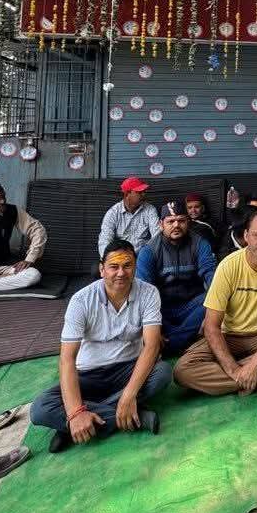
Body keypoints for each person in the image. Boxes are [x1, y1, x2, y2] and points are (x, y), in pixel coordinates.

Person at [30, 238, 171, 453]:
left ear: (135, 267)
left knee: (162, 373)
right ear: (102, 269)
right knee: (40, 409)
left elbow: (151, 346)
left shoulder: (149, 292)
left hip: (127, 369)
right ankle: (131, 416)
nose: (121, 273)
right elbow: (67, 359)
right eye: (114, 266)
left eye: (127, 266)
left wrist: (129, 395)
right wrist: (76, 411)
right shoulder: (81, 301)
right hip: (88, 374)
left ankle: (72, 425)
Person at [172, 211, 257, 396]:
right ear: (246, 236)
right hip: (229, 335)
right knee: (182, 371)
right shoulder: (228, 266)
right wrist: (234, 370)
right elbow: (211, 326)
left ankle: (242, 377)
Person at [136, 199, 218, 353]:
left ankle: (170, 344)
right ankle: (189, 341)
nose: (176, 225)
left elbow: (210, 274)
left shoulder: (200, 243)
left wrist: (214, 310)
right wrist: (154, 327)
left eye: (181, 221)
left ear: (189, 222)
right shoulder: (148, 251)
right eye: (171, 221)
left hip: (192, 306)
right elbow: (143, 292)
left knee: (213, 299)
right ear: (161, 224)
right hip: (161, 309)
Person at [97, 177, 159, 258]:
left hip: (143, 255)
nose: (144, 194)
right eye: (139, 192)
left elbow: (157, 235)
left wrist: (152, 255)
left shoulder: (150, 210)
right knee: (96, 269)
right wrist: (109, 258)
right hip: (120, 256)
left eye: (144, 192)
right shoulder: (113, 213)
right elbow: (105, 239)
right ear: (127, 194)